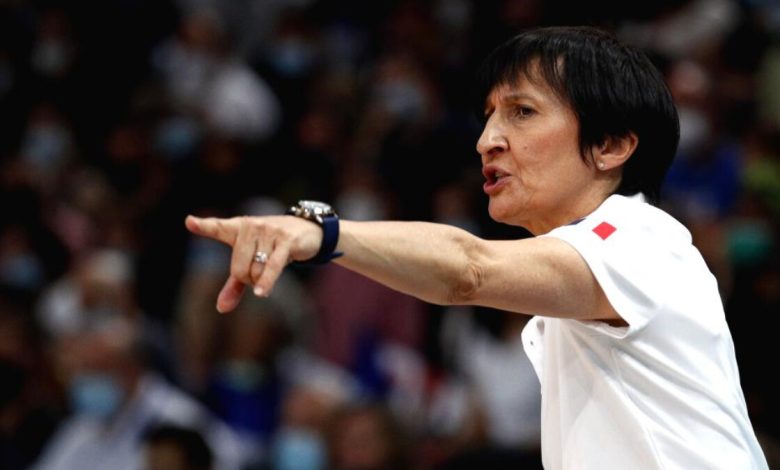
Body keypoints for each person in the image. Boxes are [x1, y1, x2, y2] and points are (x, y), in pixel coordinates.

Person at [185, 26, 769, 469]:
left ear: (611, 145)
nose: (487, 140)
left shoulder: (641, 239)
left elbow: (469, 268)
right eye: (489, 116)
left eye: (522, 112)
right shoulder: (584, 269)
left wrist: (324, 232)